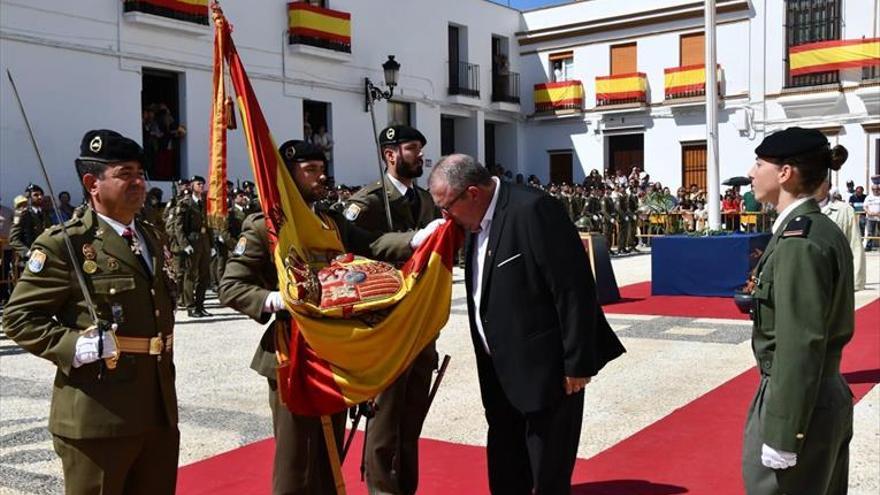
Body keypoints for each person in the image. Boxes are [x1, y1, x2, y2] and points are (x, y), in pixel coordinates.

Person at [219, 140, 439, 495]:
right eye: (311, 171)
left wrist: (416, 240)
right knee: (297, 462)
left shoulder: (330, 221)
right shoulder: (268, 227)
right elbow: (231, 285)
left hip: (334, 352)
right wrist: (276, 299)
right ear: (288, 177)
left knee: (330, 455)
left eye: (322, 169)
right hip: (292, 353)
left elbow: (374, 244)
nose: (322, 177)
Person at [428, 153, 625, 494]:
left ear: (472, 193)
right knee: (506, 465)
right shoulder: (475, 222)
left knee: (546, 472)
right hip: (499, 371)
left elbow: (573, 288)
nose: (446, 217)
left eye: (447, 207)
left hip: (547, 372)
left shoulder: (532, 210)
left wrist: (577, 362)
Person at [2, 129, 179, 494]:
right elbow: (18, 317)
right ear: (91, 183)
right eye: (124, 174)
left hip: (156, 409)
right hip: (99, 414)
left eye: (140, 174)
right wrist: (73, 346)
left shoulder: (149, 236)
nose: (138, 182)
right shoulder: (67, 243)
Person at [742, 127, 854, 495]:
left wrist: (784, 432)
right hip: (819, 394)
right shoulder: (816, 229)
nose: (751, 172)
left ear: (785, 173)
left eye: (760, 163)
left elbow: (800, 342)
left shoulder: (798, 242)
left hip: (798, 400)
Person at [343, 124, 441, 495]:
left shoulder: (428, 201)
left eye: (420, 149)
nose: (420, 156)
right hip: (384, 326)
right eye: (412, 149)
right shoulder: (365, 203)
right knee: (383, 421)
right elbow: (357, 248)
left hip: (421, 325)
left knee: (412, 420)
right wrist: (410, 240)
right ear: (390, 154)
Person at [171, 175, 213, 317]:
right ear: (191, 186)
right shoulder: (186, 203)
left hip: (204, 242)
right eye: (198, 184)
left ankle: (200, 306)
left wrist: (211, 244)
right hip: (192, 242)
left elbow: (209, 225)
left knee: (204, 276)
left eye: (202, 184)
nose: (201, 186)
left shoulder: (206, 203)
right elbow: (179, 227)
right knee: (190, 275)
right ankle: (190, 306)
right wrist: (185, 245)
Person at [816, 179, 866, 292]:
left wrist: (856, 282)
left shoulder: (845, 210)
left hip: (836, 281)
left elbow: (855, 245)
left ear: (828, 185)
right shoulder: (793, 209)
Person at [863, 184, 880, 251]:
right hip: (870, 218)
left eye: (877, 189)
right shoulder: (868, 197)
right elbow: (865, 206)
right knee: (870, 232)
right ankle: (869, 246)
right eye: (874, 189)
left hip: (879, 218)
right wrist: (868, 212)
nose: (876, 190)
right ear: (872, 190)